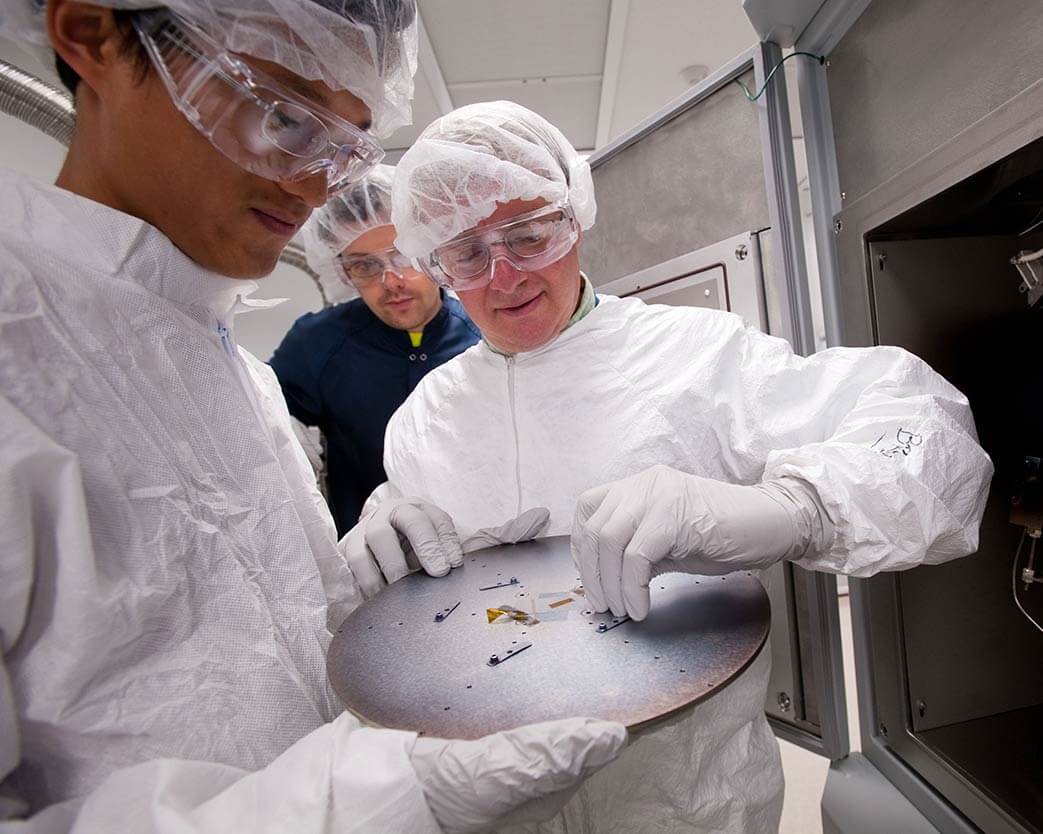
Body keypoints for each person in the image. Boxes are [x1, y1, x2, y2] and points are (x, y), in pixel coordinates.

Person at [0, 6, 626, 832]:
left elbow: (246, 640)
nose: (315, 186)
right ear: (93, 35)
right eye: (284, 116)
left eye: (345, 149)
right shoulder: (21, 346)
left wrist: (374, 590)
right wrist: (354, 805)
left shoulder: (234, 370)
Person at [342, 100, 994, 833]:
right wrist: (382, 548)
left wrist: (799, 507)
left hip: (687, 801)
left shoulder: (695, 354)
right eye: (466, 254)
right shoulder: (425, 417)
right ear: (434, 263)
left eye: (529, 236)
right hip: (492, 806)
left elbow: (924, 427)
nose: (504, 277)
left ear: (574, 218)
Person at [270, 165, 480, 535]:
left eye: (401, 256)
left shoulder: (484, 332)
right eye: (364, 266)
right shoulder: (317, 344)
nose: (391, 282)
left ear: (431, 250)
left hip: (482, 539)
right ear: (342, 271)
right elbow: (263, 418)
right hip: (369, 551)